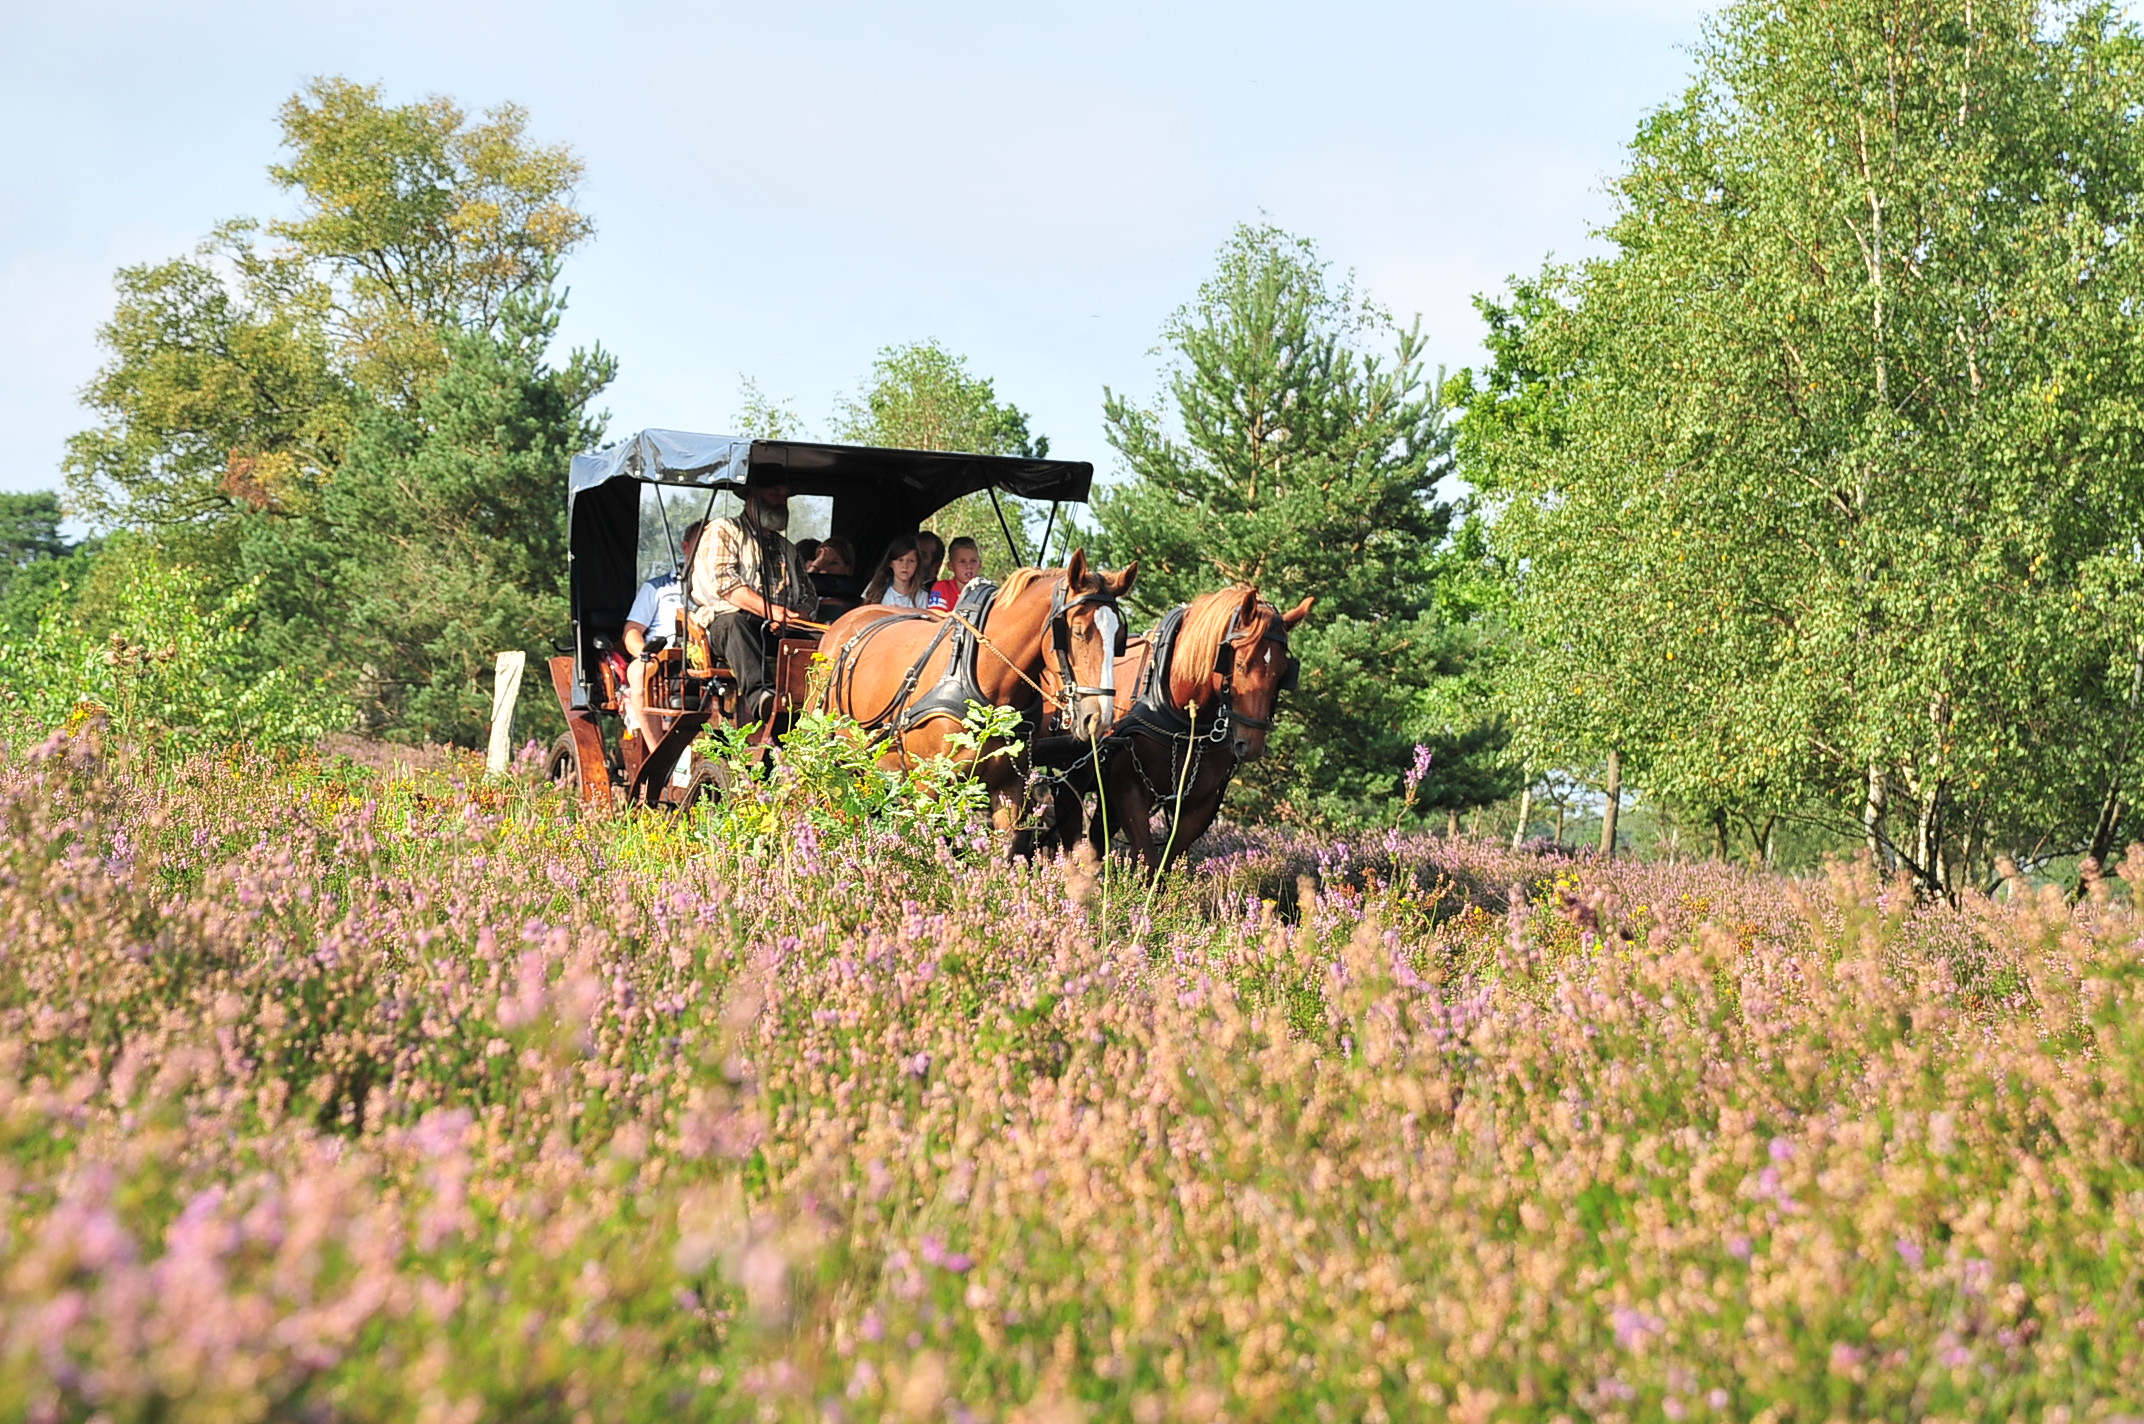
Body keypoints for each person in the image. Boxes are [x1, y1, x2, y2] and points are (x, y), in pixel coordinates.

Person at [688, 467, 818, 723]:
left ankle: (821, 703)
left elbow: (809, 595)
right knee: (736, 624)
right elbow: (726, 585)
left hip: (781, 625)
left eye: (785, 496)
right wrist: (771, 611)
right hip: (727, 624)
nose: (781, 501)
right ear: (752, 497)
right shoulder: (723, 530)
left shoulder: (787, 548)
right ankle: (762, 698)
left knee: (826, 637)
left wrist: (795, 616)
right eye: (774, 494)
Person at [622, 521, 703, 745]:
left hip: (704, 657)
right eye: (700, 545)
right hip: (663, 658)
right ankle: (656, 752)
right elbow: (632, 632)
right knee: (638, 673)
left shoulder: (723, 588)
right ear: (685, 547)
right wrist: (647, 655)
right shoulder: (658, 587)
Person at [862, 533, 929, 609]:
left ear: (917, 565)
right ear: (890, 563)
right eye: (900, 560)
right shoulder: (876, 588)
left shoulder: (922, 597)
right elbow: (866, 615)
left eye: (911, 561)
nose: (905, 566)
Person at [927, 535, 982, 612]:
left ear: (980, 564)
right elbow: (935, 616)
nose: (969, 566)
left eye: (973, 561)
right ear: (951, 566)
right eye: (962, 562)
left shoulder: (986, 591)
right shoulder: (942, 588)